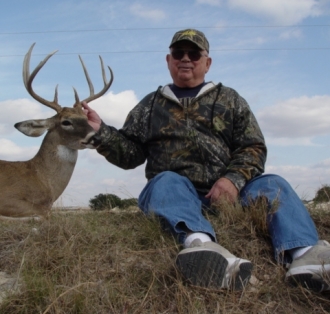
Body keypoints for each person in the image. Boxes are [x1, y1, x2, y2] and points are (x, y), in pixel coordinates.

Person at [82, 29, 330, 292]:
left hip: (234, 196)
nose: (185, 59)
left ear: (207, 62)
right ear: (169, 60)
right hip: (178, 196)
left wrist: (232, 181)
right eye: (179, 53)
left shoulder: (230, 99)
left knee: (273, 183)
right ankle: (203, 247)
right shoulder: (149, 106)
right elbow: (131, 155)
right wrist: (102, 133)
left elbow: (253, 147)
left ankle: (307, 257)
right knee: (164, 181)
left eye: (194, 53)